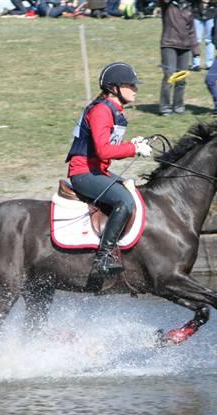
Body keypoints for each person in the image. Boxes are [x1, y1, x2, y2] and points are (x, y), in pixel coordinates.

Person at [65, 62, 153, 278]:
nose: (135, 89)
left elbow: (107, 145)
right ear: (114, 88)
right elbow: (104, 151)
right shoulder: (102, 111)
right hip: (84, 172)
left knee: (131, 189)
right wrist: (133, 148)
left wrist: (133, 142)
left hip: (97, 171)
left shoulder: (113, 110)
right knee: (125, 201)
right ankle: (103, 256)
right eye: (130, 85)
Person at [159, 0, 199, 116]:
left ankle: (178, 106)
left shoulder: (189, 6)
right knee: (169, 76)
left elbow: (192, 30)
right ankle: (165, 107)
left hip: (185, 47)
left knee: (181, 78)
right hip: (169, 45)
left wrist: (195, 49)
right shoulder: (167, 5)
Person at [191, 0, 217, 71]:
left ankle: (210, 63)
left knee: (210, 40)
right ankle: (195, 64)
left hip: (211, 14)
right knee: (196, 40)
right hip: (196, 14)